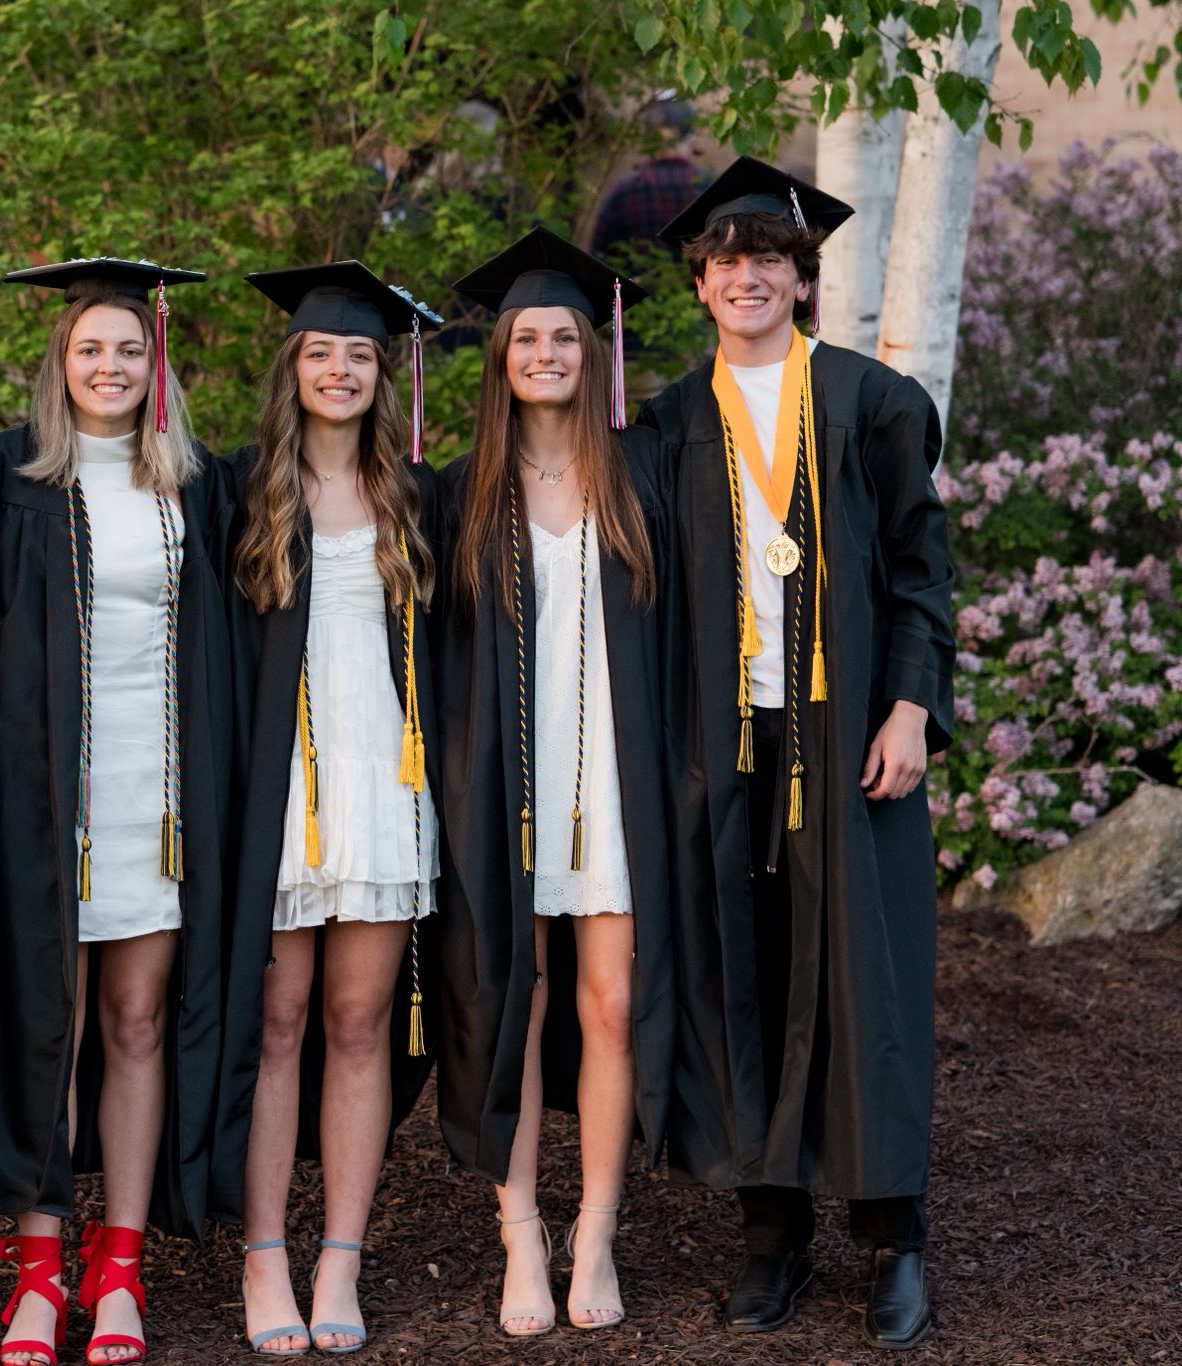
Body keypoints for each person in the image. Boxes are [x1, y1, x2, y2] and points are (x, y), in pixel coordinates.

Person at [644, 157, 953, 1350]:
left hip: (847, 732)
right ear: (699, 282)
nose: (746, 277)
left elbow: (920, 568)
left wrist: (909, 708)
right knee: (746, 977)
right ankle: (769, 1231)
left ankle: (892, 1238)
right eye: (725, 261)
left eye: (768, 258)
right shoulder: (670, 422)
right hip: (725, 743)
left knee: (866, 983)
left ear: (801, 277)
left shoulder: (872, 402)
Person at [0, 258, 235, 1366]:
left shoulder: (194, 483)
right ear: (59, 362)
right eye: (90, 350)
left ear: (155, 363)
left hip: (154, 794)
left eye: (130, 349)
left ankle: (118, 1267)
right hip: (44, 799)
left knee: (135, 1022)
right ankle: (39, 1269)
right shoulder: (7, 475)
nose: (110, 367)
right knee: (48, 1023)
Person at [430, 226, 676, 1338]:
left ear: (592, 349)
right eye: (525, 337)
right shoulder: (459, 493)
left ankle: (597, 1229)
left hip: (614, 780)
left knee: (612, 1005)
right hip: (503, 782)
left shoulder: (642, 474)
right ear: (500, 356)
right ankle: (520, 1229)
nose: (544, 353)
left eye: (563, 336)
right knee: (511, 1006)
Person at [218, 261, 442, 1357]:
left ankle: (338, 1257)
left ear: (381, 374)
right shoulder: (239, 491)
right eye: (321, 352)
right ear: (292, 367)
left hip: (382, 783)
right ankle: (263, 1254)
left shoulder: (414, 496)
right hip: (279, 790)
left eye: (359, 354)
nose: (340, 369)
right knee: (277, 1025)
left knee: (359, 1027)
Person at [589, 92, 709, 260]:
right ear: (692, 138)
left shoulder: (623, 191)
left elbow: (597, 258)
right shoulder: (711, 187)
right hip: (696, 278)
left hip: (632, 277)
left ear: (646, 138)